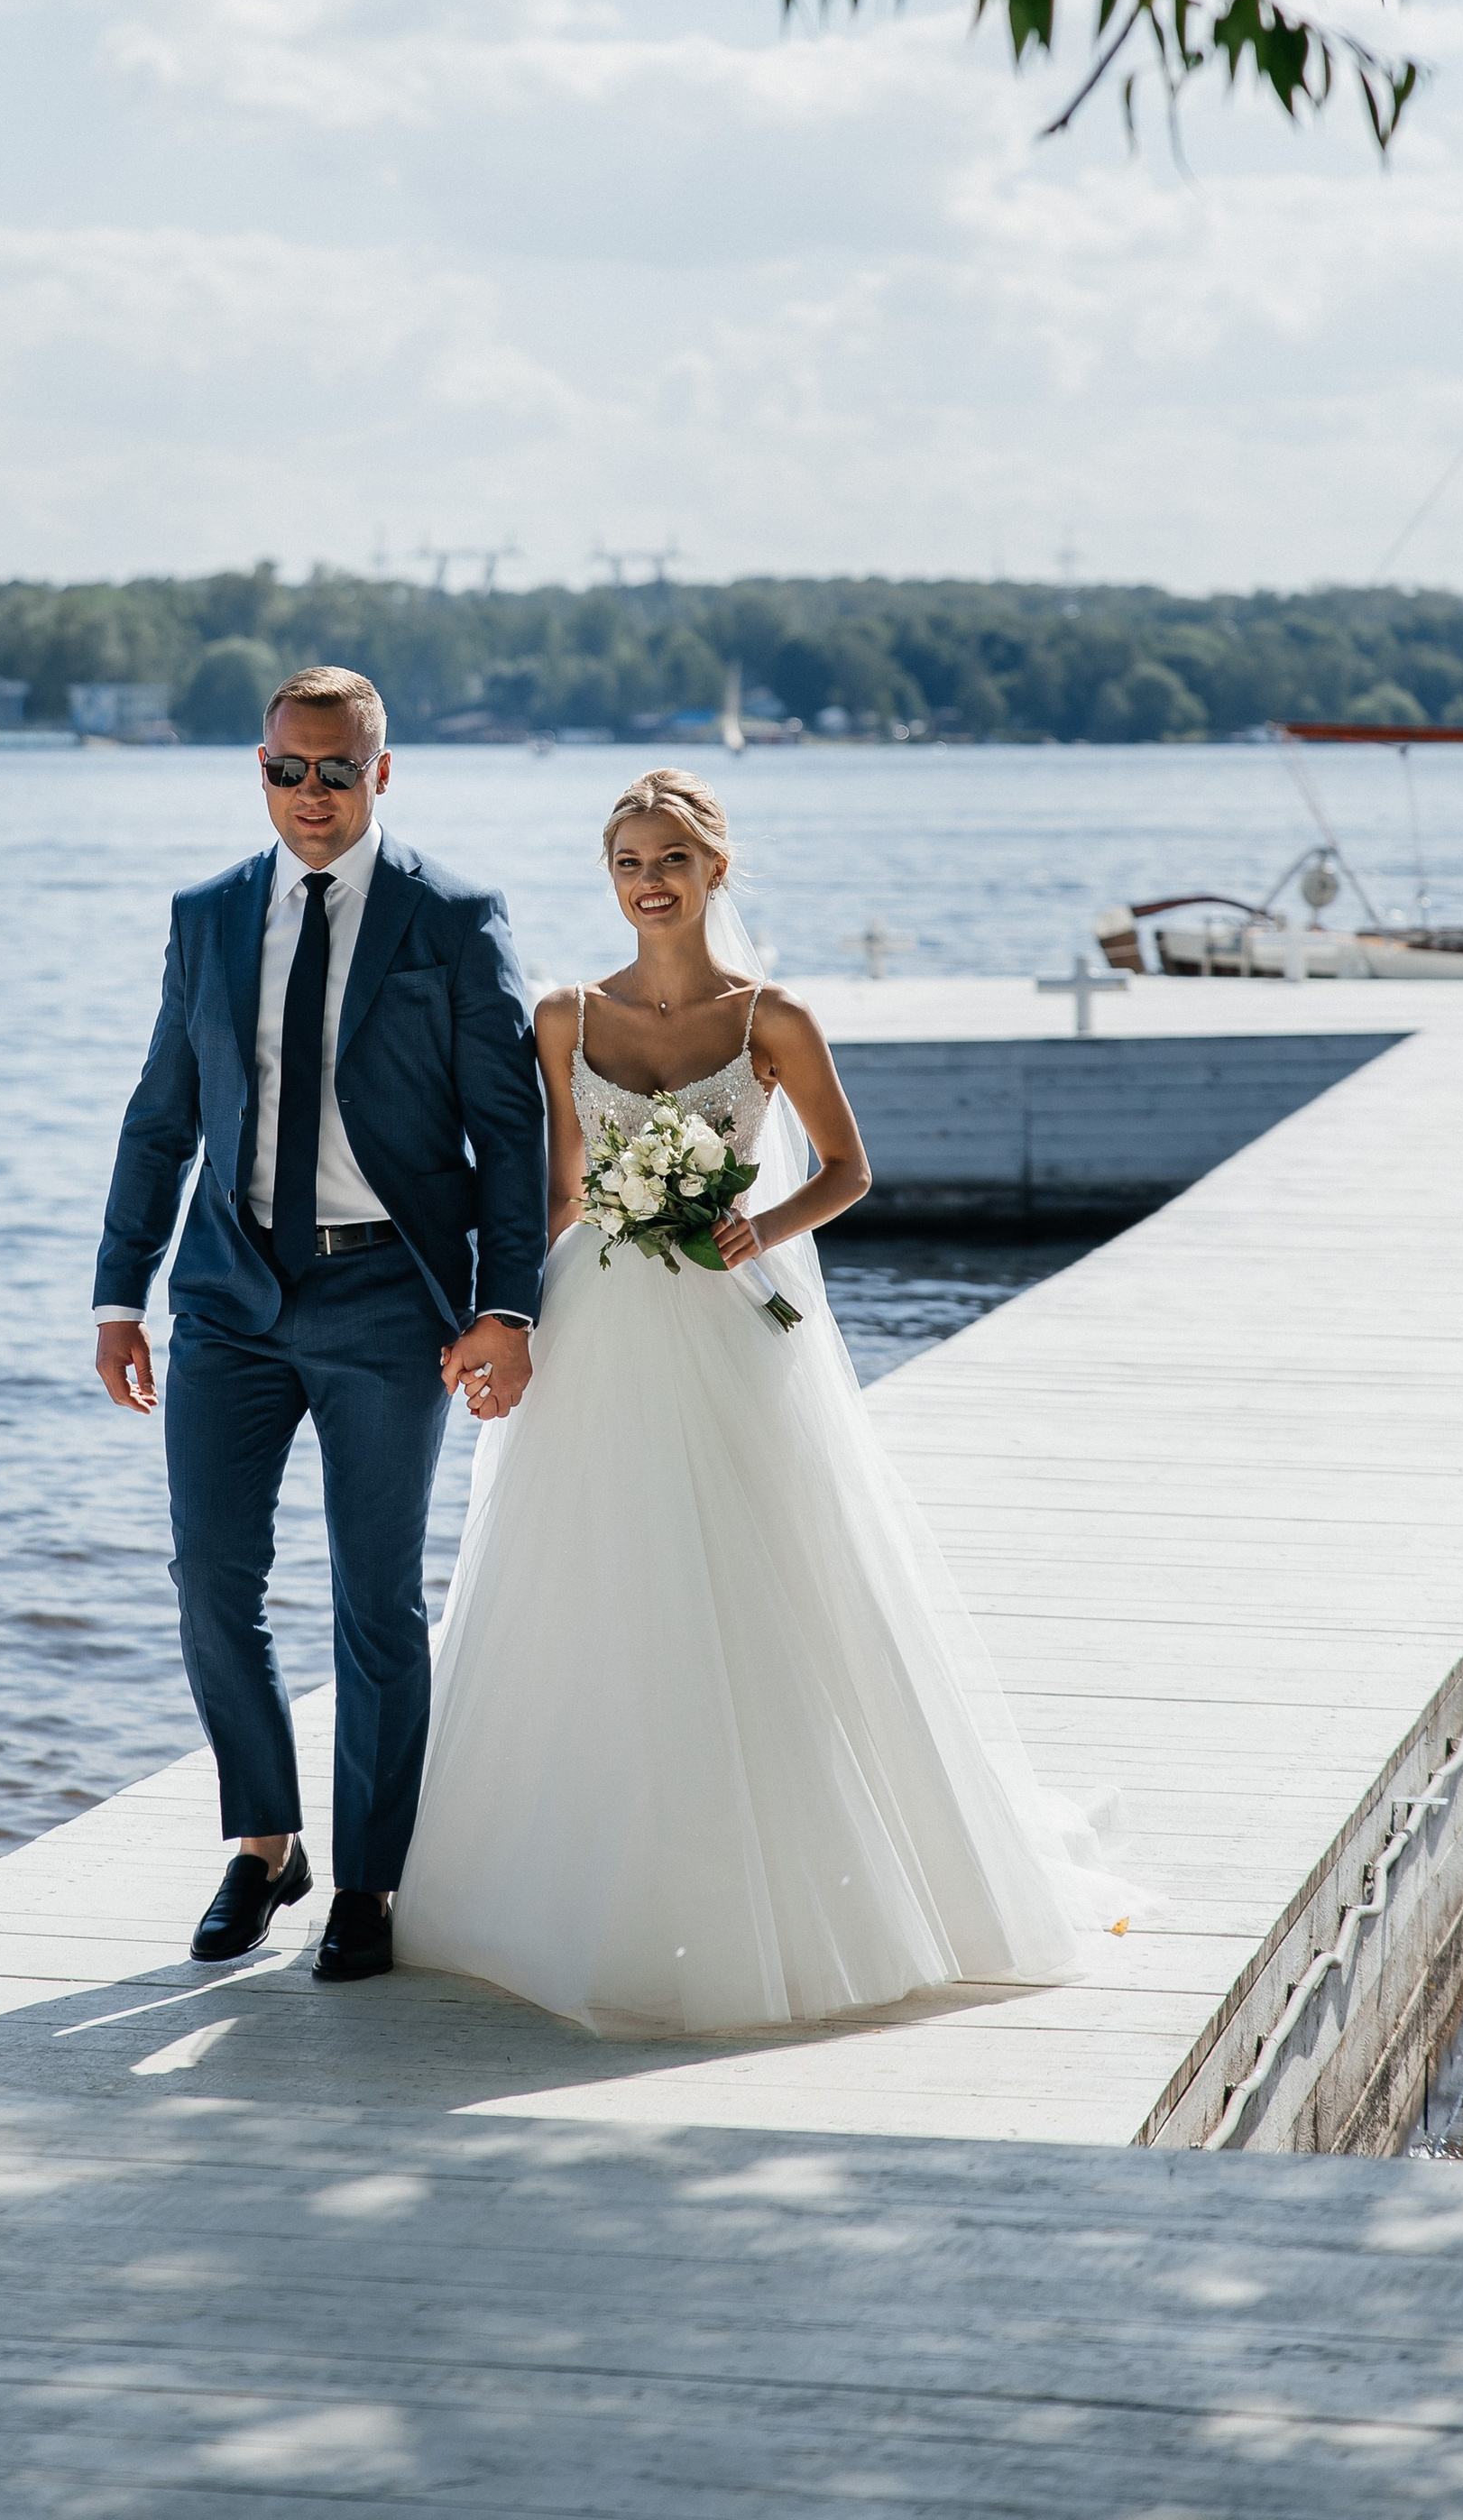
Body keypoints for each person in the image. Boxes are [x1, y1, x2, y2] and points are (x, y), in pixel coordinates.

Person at [397, 767, 1096, 2035]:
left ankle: (793, 1877)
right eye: (627, 862)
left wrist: (756, 1228)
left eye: (670, 858)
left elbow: (848, 1169)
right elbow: (559, 1188)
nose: (648, 881)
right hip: (599, 1315)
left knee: (763, 1568)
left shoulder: (774, 1018)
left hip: (730, 1318)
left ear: (715, 868)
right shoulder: (562, 1014)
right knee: (596, 1574)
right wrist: (499, 1317)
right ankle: (567, 1878)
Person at [91, 666, 546, 1984]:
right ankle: (264, 1841)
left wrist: (506, 1305)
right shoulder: (208, 914)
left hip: (386, 1298)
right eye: (287, 769)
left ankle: (370, 1879)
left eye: (337, 771)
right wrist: (120, 1292)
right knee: (210, 1578)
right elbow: (161, 1117)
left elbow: (510, 1132)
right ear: (262, 767)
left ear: (381, 773)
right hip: (228, 1296)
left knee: (375, 1600)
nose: (311, 794)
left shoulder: (452, 918)